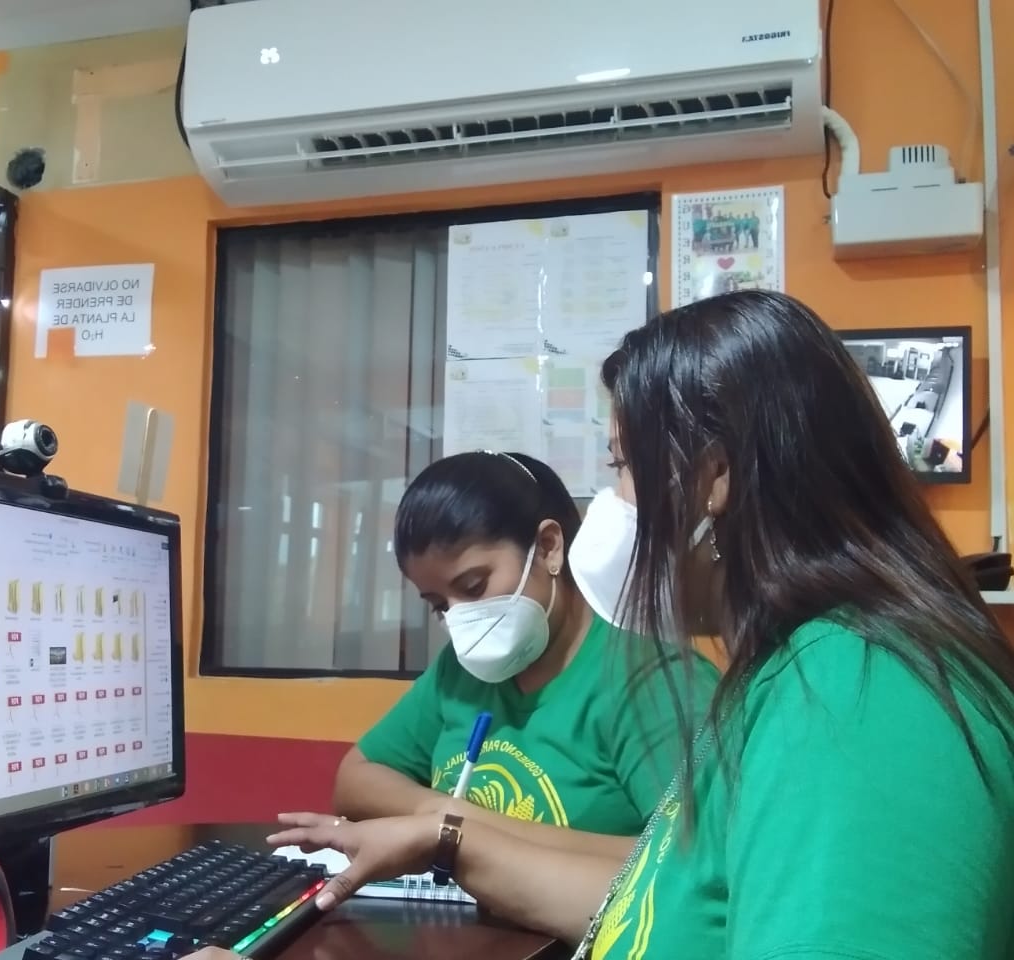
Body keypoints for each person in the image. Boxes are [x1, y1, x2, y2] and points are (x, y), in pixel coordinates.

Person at [199, 291, 1014, 960]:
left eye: (623, 467)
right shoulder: (794, 677)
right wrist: (447, 840)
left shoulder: (853, 698)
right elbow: (668, 893)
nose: (611, 504)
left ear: (715, 475)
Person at [331, 450, 719, 859]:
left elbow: (686, 861)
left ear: (548, 547)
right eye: (439, 605)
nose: (460, 620)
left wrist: (460, 830)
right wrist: (440, 814)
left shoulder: (653, 683)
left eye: (474, 586)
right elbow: (355, 780)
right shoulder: (458, 675)